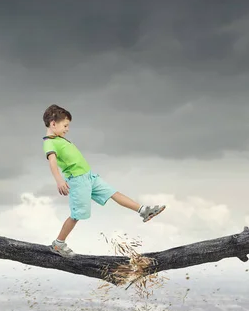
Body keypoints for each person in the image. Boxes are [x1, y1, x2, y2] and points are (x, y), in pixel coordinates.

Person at [42, 104, 166, 257]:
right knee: (76, 215)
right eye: (65, 125)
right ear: (53, 124)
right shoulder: (49, 142)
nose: (67, 129)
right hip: (77, 181)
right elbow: (52, 162)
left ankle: (143, 211)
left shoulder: (60, 139)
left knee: (112, 192)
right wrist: (59, 180)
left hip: (89, 177)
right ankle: (58, 244)